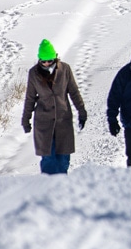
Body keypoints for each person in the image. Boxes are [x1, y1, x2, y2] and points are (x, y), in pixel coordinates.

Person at [21, 39, 87, 175]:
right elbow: (30, 98)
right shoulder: (34, 73)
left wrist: (82, 111)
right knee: (49, 160)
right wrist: (25, 120)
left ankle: (61, 189)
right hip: (44, 123)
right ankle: (48, 189)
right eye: (43, 61)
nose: (46, 64)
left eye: (49, 60)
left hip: (63, 121)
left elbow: (74, 92)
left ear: (55, 58)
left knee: (63, 161)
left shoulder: (65, 69)